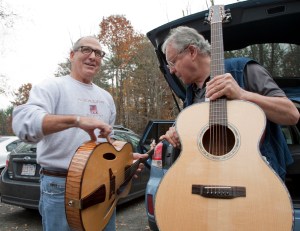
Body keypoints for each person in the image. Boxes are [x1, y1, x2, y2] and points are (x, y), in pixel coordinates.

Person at [12, 36, 147, 231]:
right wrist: (76, 120)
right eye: (86, 50)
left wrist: (124, 160)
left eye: (98, 53)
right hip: (61, 187)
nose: (93, 56)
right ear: (72, 55)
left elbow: (106, 145)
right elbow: (24, 125)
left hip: (102, 187)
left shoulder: (106, 98)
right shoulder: (52, 87)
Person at [159, 26, 299, 180]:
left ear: (192, 52)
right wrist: (178, 135)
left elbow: (291, 114)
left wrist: (242, 94)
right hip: (212, 180)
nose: (171, 71)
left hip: (257, 181)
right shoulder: (190, 96)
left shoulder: (243, 69)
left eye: (172, 62)